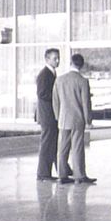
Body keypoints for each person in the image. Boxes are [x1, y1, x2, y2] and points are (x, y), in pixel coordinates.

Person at [55, 53, 96, 185]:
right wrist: (88, 120)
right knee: (77, 147)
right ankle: (79, 176)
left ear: (70, 63)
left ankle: (62, 175)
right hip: (78, 119)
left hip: (63, 119)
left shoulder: (59, 80)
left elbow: (55, 102)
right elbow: (86, 103)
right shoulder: (83, 81)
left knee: (62, 148)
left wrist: (58, 116)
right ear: (82, 65)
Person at [35, 48, 61, 180]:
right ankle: (43, 174)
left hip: (51, 115)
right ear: (47, 59)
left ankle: (59, 170)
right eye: (54, 58)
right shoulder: (44, 74)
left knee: (52, 143)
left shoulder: (51, 73)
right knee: (47, 143)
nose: (57, 60)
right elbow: (42, 94)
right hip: (47, 115)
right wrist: (57, 97)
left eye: (58, 58)